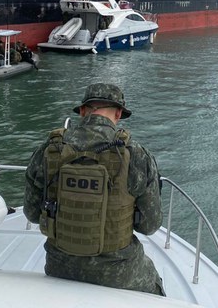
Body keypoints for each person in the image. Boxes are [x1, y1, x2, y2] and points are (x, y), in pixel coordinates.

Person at [24, 83, 164, 295]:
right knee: (155, 287)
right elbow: (149, 225)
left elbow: (33, 214)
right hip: (120, 273)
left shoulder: (49, 149)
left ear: (82, 111)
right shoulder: (135, 154)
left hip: (60, 267)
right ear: (118, 114)